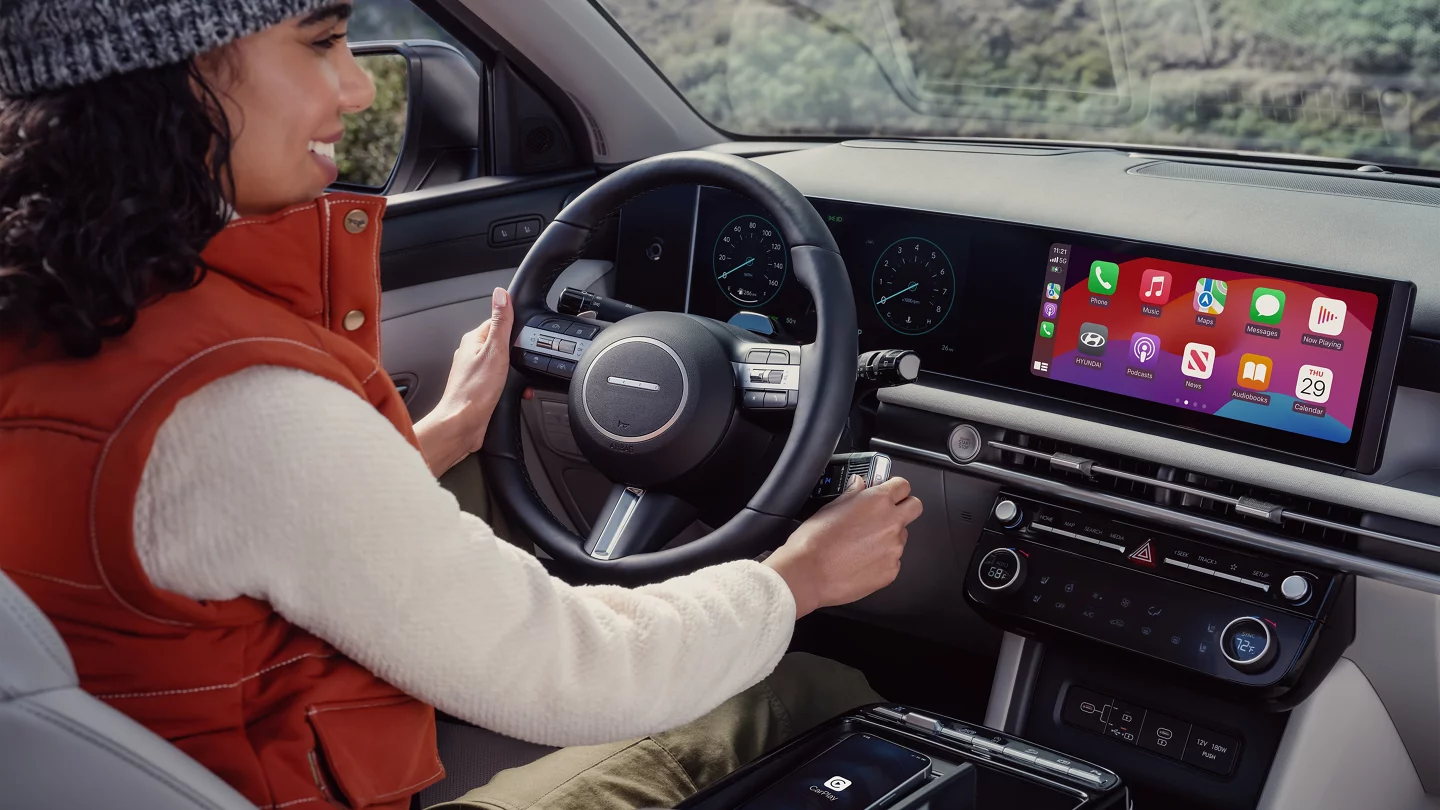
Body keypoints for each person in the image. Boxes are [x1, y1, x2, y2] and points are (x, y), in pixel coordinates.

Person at [0, 3, 923, 809]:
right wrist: (799, 579)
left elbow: (213, 531)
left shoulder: (60, 318)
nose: (358, 89)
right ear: (174, 74)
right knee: (798, 687)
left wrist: (435, 434)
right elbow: (569, 672)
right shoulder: (243, 405)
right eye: (321, 44)